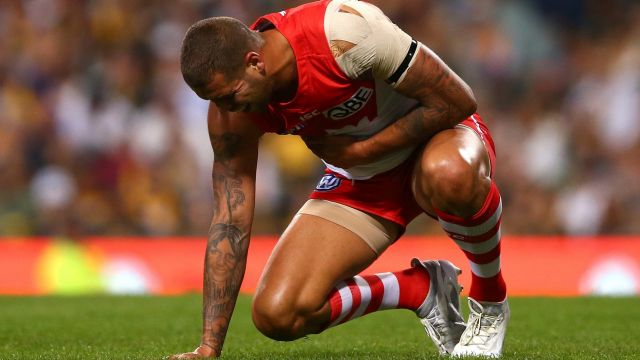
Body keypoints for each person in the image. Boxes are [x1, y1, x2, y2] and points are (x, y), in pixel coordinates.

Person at [170, 0, 509, 358]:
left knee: (448, 175)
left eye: (229, 96)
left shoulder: (342, 34)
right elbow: (229, 222)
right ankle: (418, 289)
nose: (226, 109)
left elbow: (456, 101)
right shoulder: (231, 113)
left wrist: (365, 151)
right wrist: (209, 346)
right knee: (277, 314)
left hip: (439, 139)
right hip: (363, 179)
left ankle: (490, 301)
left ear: (255, 63)